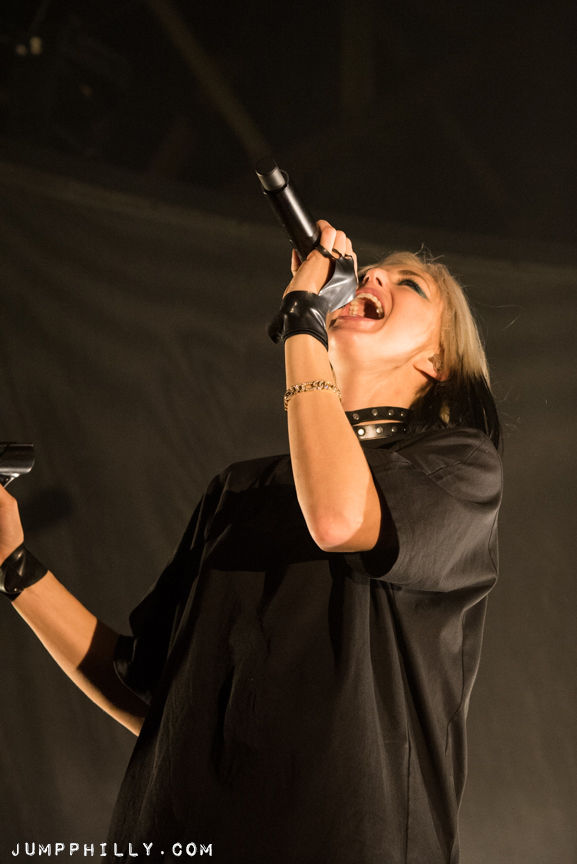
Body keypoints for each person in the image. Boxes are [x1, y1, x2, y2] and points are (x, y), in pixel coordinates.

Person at [0, 222, 502, 864]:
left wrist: (302, 319)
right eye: (376, 269)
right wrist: (13, 567)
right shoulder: (238, 491)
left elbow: (338, 518)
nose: (374, 274)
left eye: (411, 285)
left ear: (437, 362)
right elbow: (155, 699)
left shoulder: (459, 469)